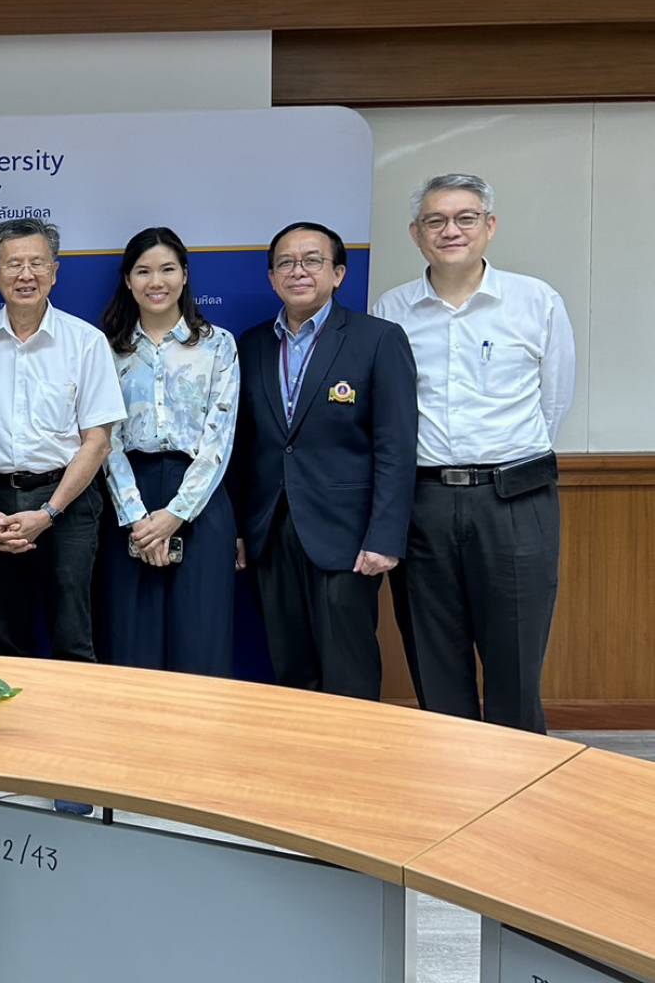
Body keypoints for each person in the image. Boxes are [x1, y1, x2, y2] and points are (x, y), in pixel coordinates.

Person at [372, 174, 575, 734]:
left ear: (490, 226)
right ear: (416, 234)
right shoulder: (392, 309)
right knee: (434, 656)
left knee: (515, 659)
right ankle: (448, 776)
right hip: (425, 502)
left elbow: (554, 401)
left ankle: (519, 777)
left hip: (515, 500)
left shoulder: (536, 301)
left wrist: (505, 463)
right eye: (435, 221)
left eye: (465, 218)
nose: (451, 231)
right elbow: (387, 411)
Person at [232, 221, 418, 701]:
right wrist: (239, 529)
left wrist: (385, 538)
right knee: (290, 666)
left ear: (338, 274)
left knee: (348, 668)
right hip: (271, 530)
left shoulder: (377, 339)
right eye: (286, 263)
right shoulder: (251, 345)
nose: (298, 271)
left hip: (347, 536)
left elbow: (396, 446)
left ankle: (355, 752)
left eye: (312, 261)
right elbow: (243, 446)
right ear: (271, 277)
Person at [0, 217, 124, 664]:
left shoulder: (85, 342)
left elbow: (98, 441)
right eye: (13, 264)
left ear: (54, 272)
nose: (26, 275)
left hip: (68, 502)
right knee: (5, 640)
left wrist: (48, 512)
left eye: (37, 263)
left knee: (73, 637)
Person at [94, 228, 240, 677]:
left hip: (200, 500)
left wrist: (175, 515)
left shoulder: (218, 344)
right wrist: (140, 521)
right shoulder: (106, 349)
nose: (156, 282)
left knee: (201, 643)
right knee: (130, 644)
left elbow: (219, 439)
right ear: (128, 280)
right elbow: (105, 441)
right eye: (143, 271)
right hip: (128, 503)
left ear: (185, 275)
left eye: (167, 269)